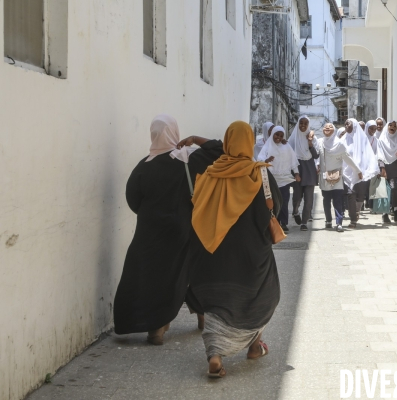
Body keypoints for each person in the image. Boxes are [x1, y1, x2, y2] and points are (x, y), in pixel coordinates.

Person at [182, 121, 282, 379]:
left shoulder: (209, 174)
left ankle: (215, 355)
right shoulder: (259, 174)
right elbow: (275, 209)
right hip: (251, 256)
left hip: (213, 254)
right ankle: (255, 345)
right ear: (249, 143)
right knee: (261, 294)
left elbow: (196, 210)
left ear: (227, 142)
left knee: (218, 304)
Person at [113, 114, 224, 345]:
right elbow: (221, 150)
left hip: (149, 231)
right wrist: (194, 139)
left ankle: (156, 329)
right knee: (188, 270)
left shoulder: (144, 165)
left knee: (155, 276)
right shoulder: (189, 160)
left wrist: (151, 216)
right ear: (174, 132)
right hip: (184, 227)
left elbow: (132, 199)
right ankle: (202, 317)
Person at [318, 123, 362, 232]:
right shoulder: (320, 142)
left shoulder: (339, 144)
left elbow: (348, 159)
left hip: (337, 178)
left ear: (334, 130)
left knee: (337, 200)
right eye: (325, 126)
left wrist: (358, 170)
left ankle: (339, 223)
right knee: (326, 200)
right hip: (325, 177)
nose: (327, 128)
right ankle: (328, 220)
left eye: (330, 127)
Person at [336, 118, 380, 228]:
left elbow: (369, 155)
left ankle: (356, 211)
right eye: (345, 123)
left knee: (360, 196)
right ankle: (353, 220)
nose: (346, 125)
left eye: (348, 123)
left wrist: (369, 169)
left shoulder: (363, 139)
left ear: (354, 125)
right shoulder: (342, 140)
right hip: (348, 172)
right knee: (351, 194)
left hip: (362, 172)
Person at [257, 126, 301, 233]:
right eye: (277, 135)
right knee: (272, 202)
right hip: (271, 179)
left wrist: (296, 173)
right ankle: (274, 222)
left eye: (281, 136)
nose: (279, 137)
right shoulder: (267, 147)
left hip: (284, 179)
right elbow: (259, 159)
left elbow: (293, 161)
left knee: (284, 201)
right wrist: (267, 160)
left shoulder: (287, 147)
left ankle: (284, 223)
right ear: (272, 134)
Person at [289, 115, 319, 231]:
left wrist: (310, 143)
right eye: (301, 123)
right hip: (297, 169)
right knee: (297, 196)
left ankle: (304, 222)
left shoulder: (313, 138)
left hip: (309, 169)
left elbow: (316, 155)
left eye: (305, 123)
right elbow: (288, 153)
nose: (303, 125)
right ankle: (295, 211)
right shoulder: (293, 138)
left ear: (308, 125)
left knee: (309, 198)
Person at [364, 120, 379, 211]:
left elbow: (377, 152)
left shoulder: (376, 140)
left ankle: (371, 204)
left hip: (373, 165)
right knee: (365, 184)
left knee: (372, 185)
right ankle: (365, 200)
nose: (373, 130)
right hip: (364, 165)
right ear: (367, 128)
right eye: (371, 128)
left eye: (374, 128)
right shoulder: (362, 139)